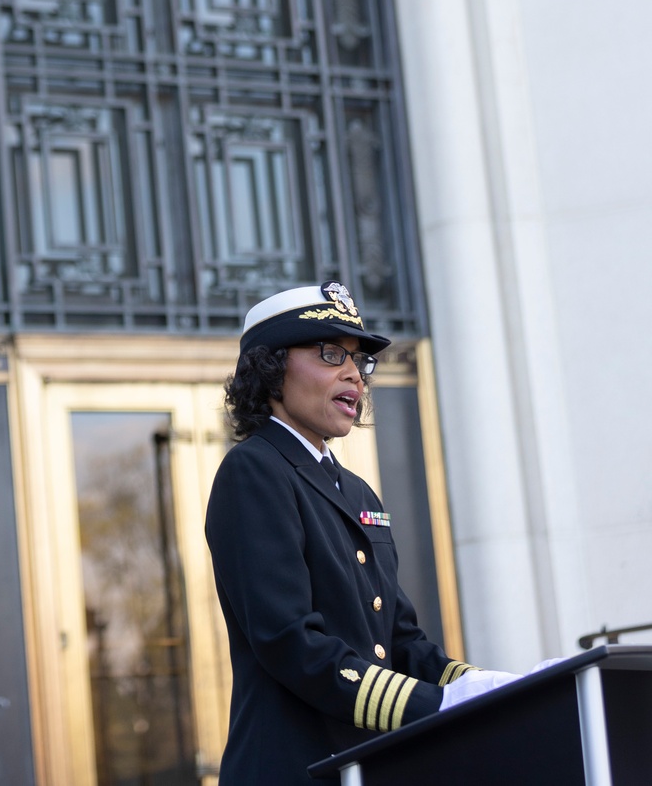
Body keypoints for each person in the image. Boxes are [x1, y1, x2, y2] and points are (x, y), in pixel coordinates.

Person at [205, 282, 518, 783]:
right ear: (269, 368)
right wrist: (433, 705)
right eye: (331, 354)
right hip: (293, 769)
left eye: (358, 361)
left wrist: (492, 688)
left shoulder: (356, 491)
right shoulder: (254, 470)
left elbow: (401, 641)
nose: (354, 373)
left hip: (369, 765)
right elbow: (291, 643)